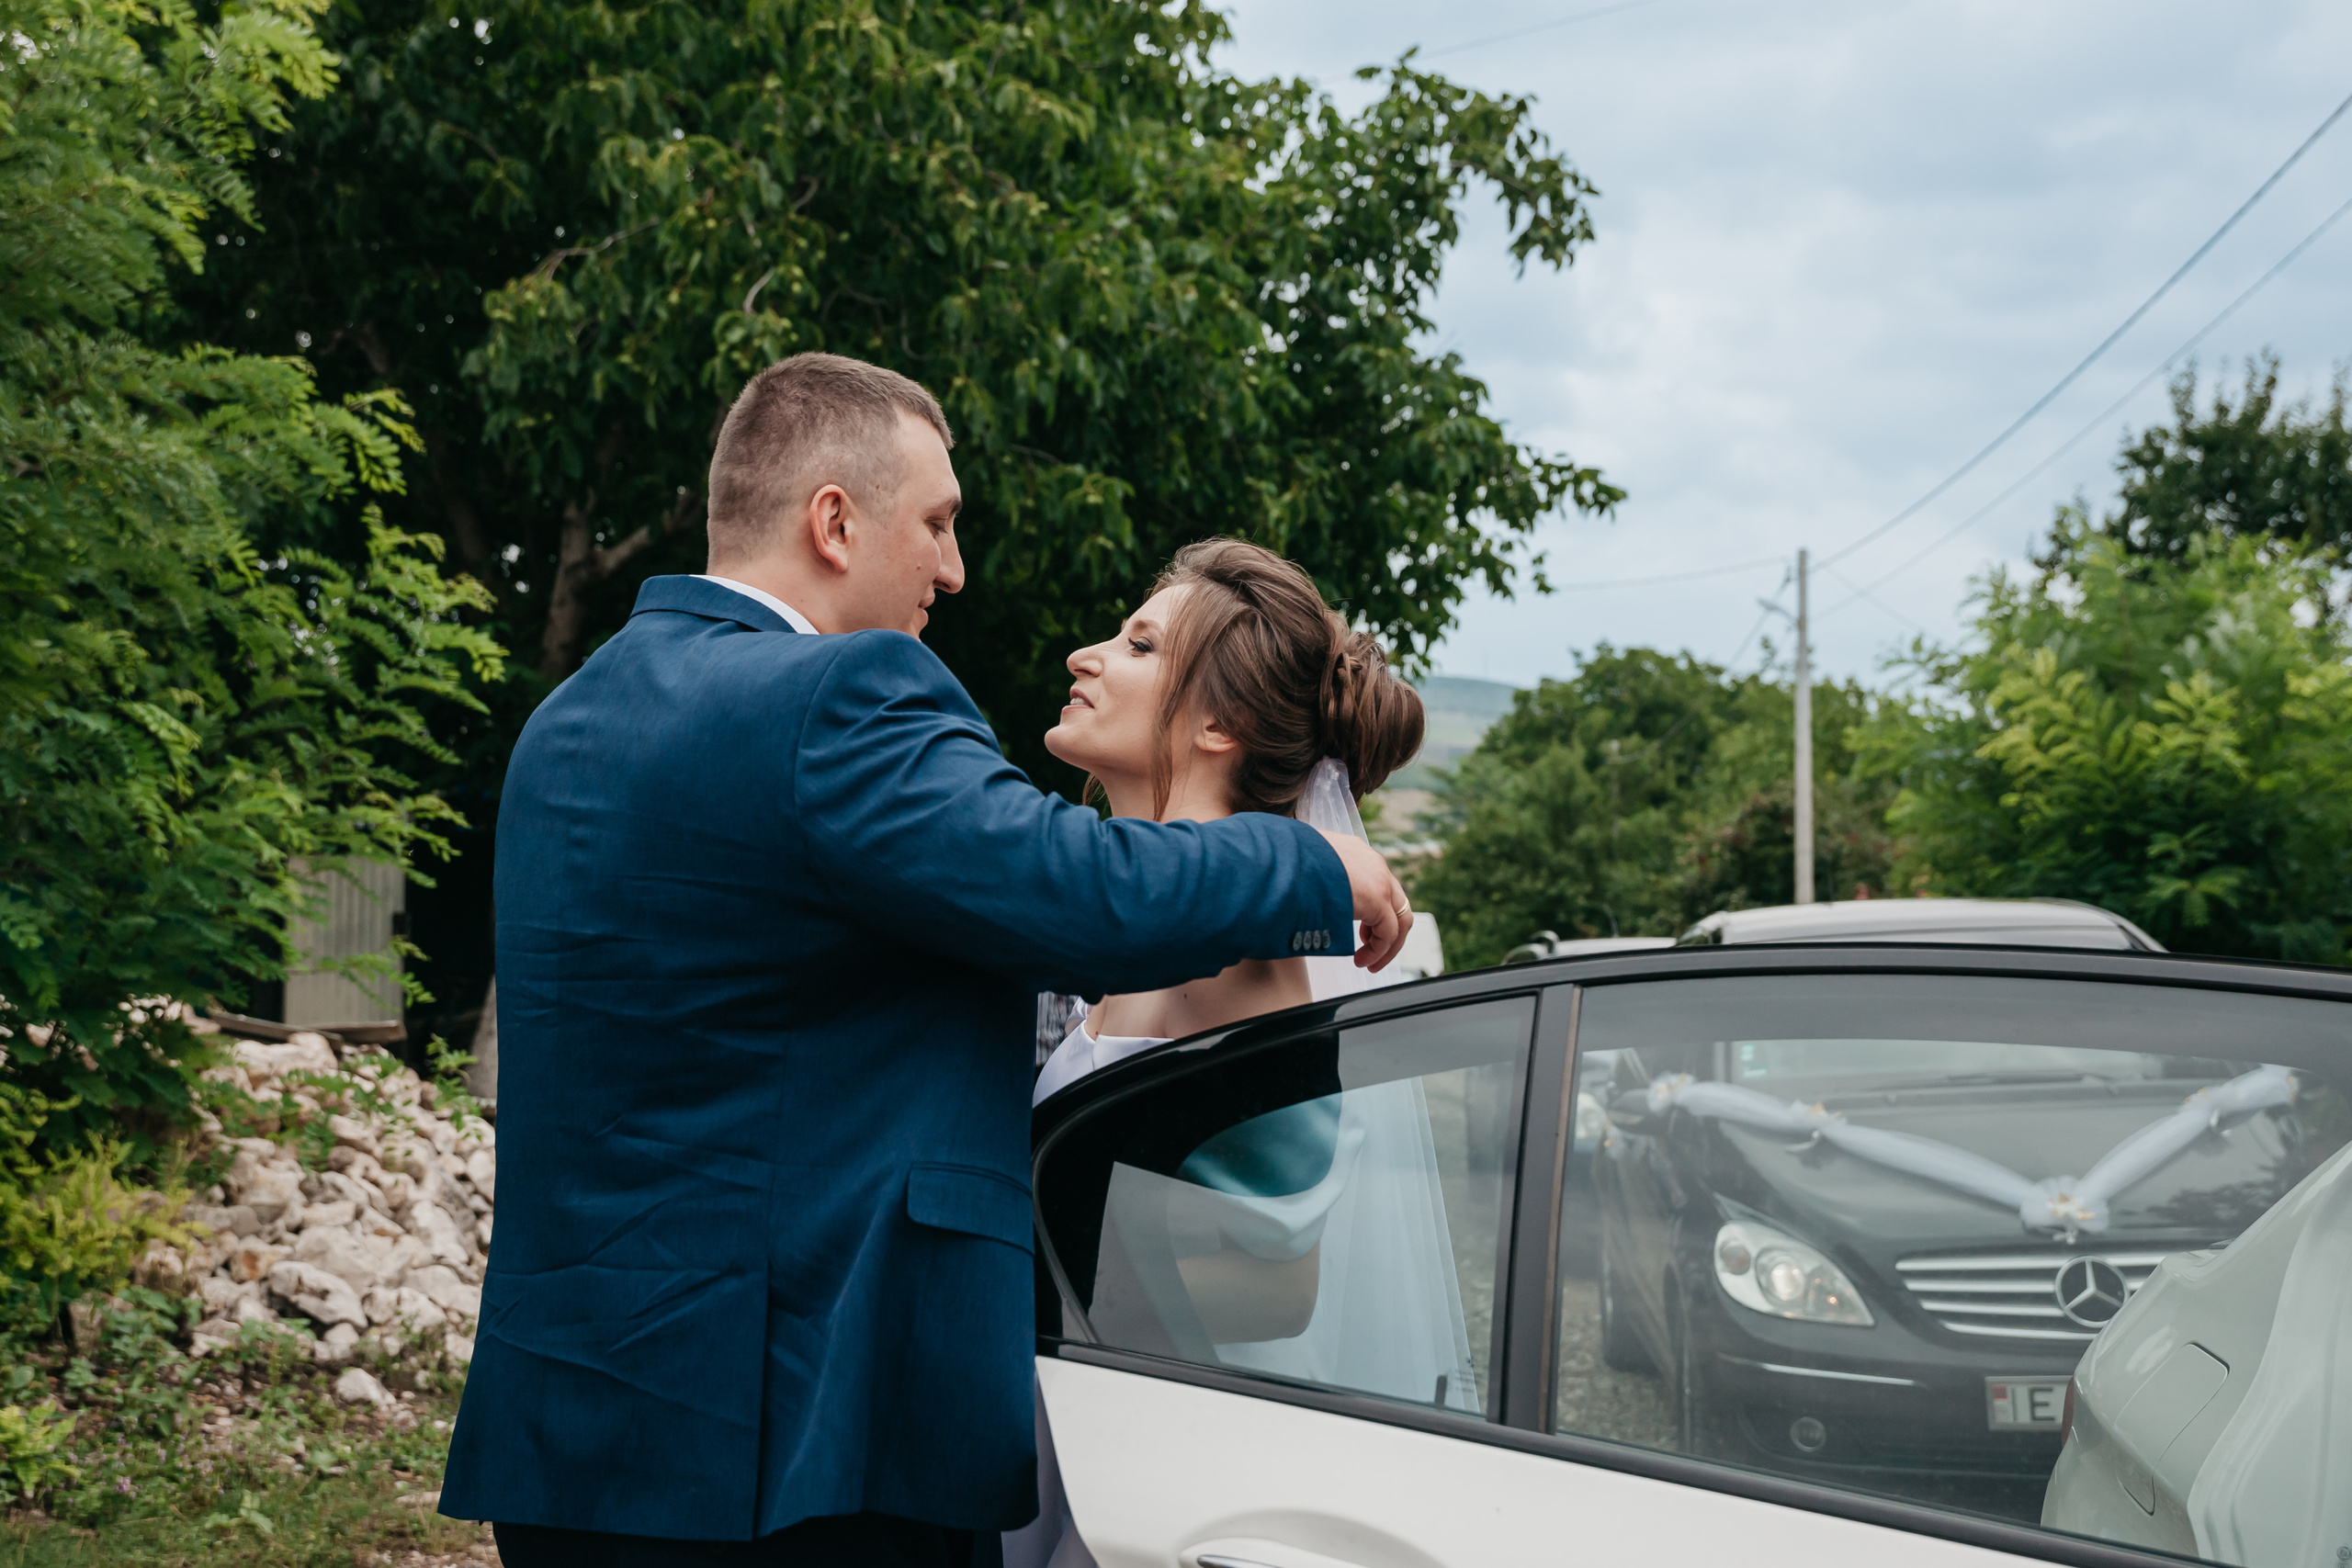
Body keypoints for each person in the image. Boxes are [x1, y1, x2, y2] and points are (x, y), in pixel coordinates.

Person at [438, 355, 1416, 1566]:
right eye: (939, 523)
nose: (954, 568)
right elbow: (1068, 885)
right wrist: (1314, 870)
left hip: (570, 1434)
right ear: (835, 522)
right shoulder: (840, 695)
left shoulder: (566, 725)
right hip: (792, 1451)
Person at [1007, 539, 1479, 1568]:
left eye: (1134, 644)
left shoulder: (1240, 948)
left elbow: (1281, 1284)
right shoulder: (1157, 928)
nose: (1086, 655)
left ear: (1217, 724)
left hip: (1139, 1446)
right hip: (1075, 1421)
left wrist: (1020, 1266)